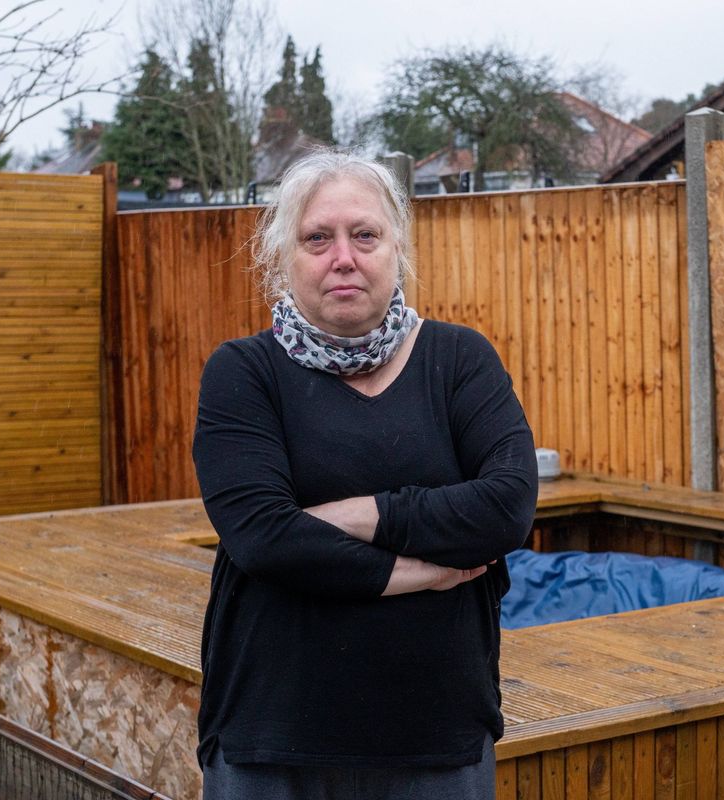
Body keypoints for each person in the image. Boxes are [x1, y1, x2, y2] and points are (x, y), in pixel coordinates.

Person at [192, 148, 539, 799]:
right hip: (273, 739)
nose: (343, 257)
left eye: (364, 235)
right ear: (283, 258)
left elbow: (508, 508)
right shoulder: (243, 373)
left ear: (396, 248)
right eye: (317, 238)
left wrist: (357, 515)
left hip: (436, 738)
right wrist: (426, 571)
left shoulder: (459, 360)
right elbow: (264, 540)